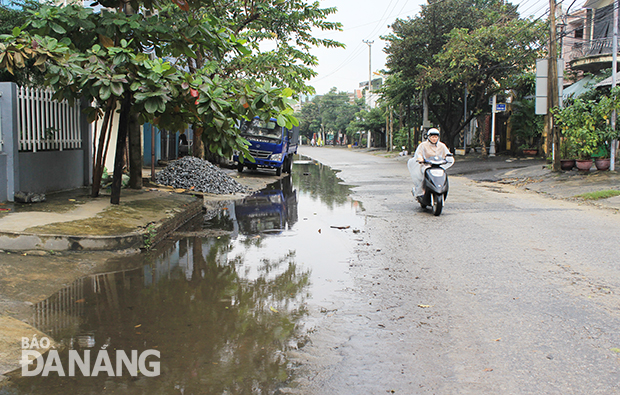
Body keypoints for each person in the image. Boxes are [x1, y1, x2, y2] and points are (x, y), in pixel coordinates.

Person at [407, 128, 453, 197]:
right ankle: (420, 192)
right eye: (432, 137)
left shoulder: (442, 145)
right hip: (426, 166)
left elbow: (447, 153)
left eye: (436, 137)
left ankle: (442, 188)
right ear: (428, 137)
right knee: (423, 175)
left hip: (438, 166)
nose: (434, 139)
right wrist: (420, 158)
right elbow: (419, 153)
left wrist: (448, 157)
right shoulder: (423, 145)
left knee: (443, 174)